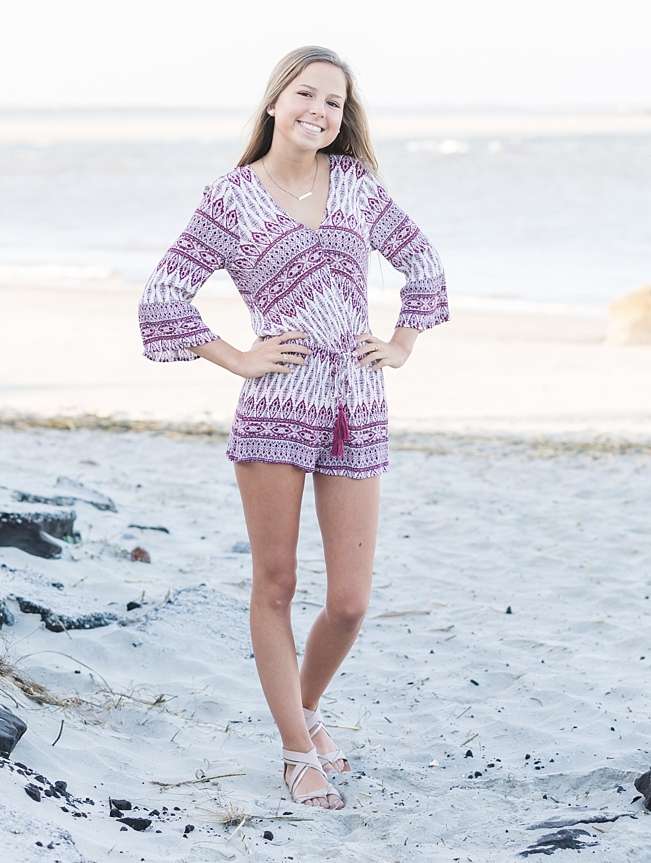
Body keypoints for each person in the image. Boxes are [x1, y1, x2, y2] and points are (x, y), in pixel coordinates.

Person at [139, 45, 449, 811]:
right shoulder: (229, 198)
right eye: (306, 93)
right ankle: (294, 748)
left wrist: (402, 343)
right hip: (276, 405)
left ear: (343, 119)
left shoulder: (356, 186)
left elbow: (426, 266)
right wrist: (236, 357)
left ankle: (306, 710)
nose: (319, 109)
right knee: (276, 584)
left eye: (334, 102)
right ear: (275, 101)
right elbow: (162, 296)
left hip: (357, 406)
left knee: (349, 601)